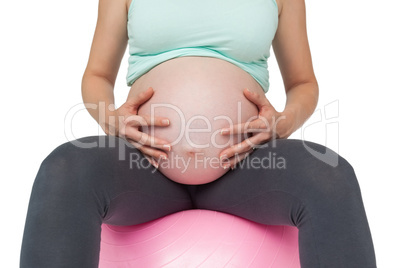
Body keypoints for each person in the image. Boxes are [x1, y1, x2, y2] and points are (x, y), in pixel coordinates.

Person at [20, 0, 377, 267]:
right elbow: (96, 75)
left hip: (245, 165)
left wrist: (281, 122)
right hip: (144, 165)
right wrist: (109, 118)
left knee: (331, 174)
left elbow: (303, 83)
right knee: (65, 167)